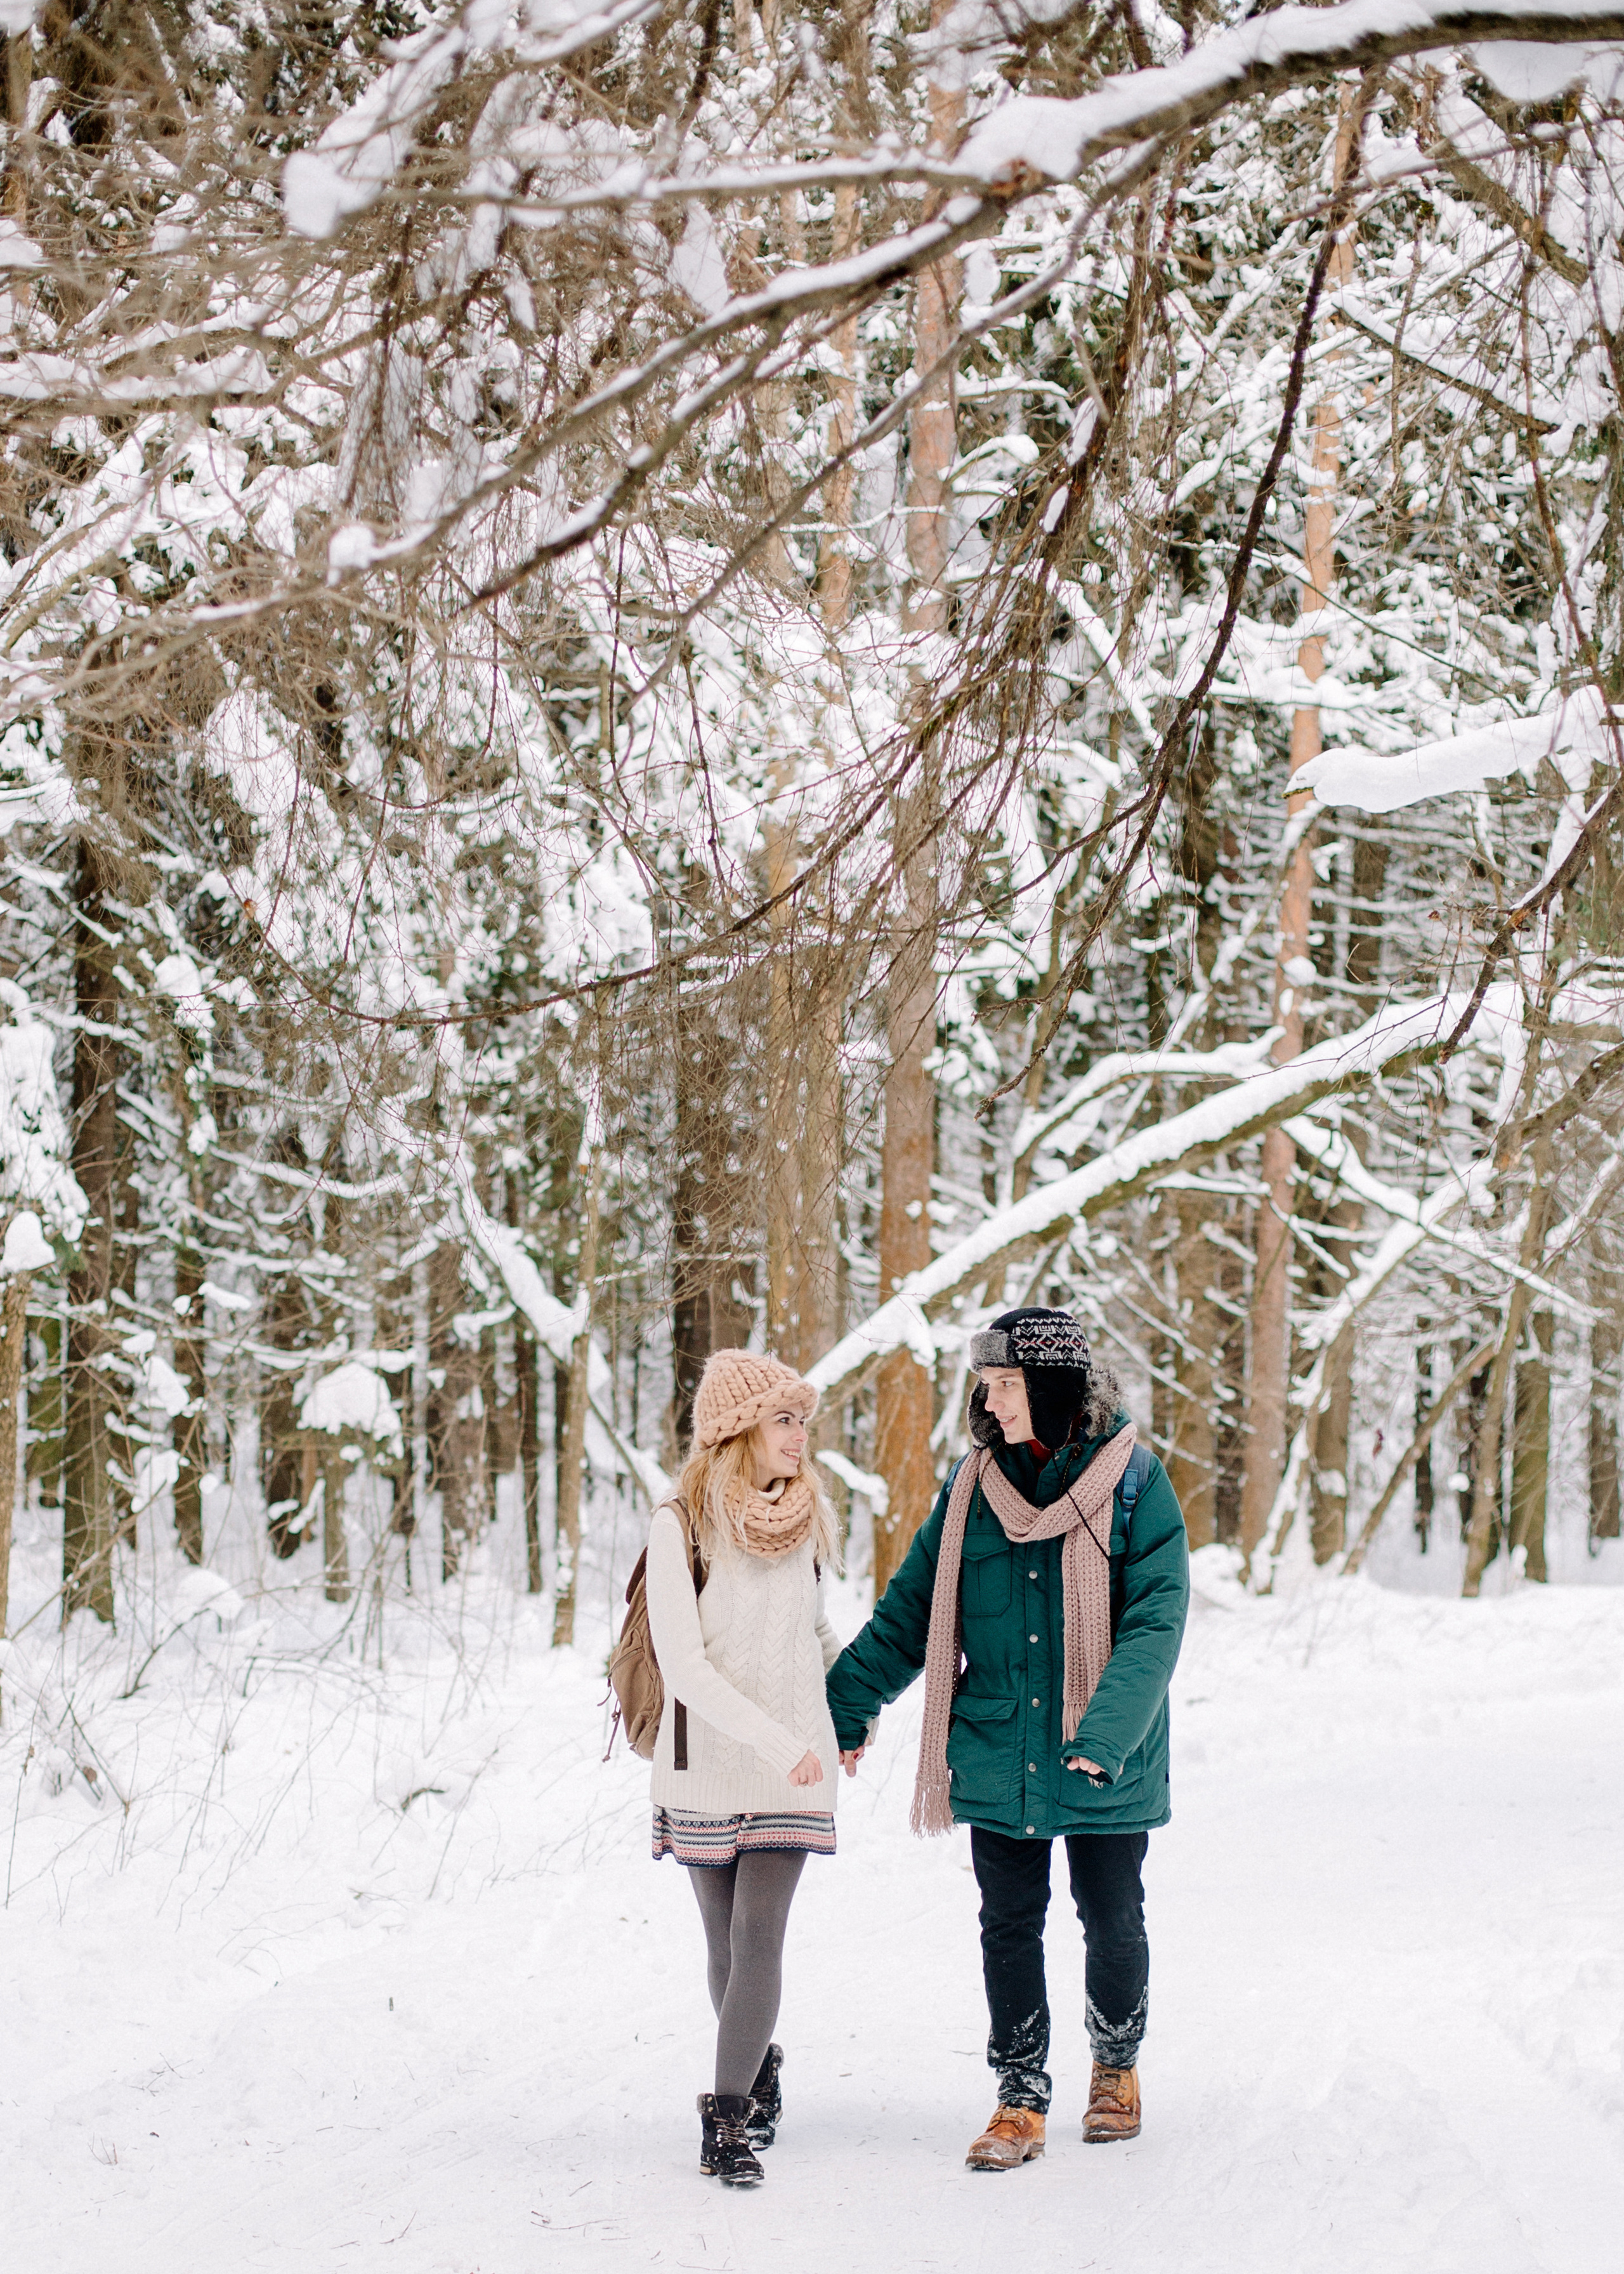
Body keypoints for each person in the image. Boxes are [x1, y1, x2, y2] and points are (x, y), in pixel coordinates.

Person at [826, 1306, 1189, 2170]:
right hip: (997, 1743)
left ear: (1053, 1386)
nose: (989, 1402)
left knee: (1111, 1916)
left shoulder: (1135, 1484)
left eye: (1005, 1385)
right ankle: (1020, 2094)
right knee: (1009, 1925)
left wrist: (1105, 1732)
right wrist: (844, 1701)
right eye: (986, 1385)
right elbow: (912, 1611)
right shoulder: (970, 1493)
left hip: (1103, 1752)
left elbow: (1156, 1620)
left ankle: (1116, 2065)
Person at [646, 1348, 844, 2188]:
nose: (801, 1436)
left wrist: (850, 1711)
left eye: (804, 1419)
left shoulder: (808, 1517)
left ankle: (725, 2123)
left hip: (796, 1770)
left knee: (759, 1936)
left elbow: (817, 1633)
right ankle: (758, 2064)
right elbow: (685, 1669)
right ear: (738, 1430)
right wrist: (777, 1743)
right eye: (784, 1419)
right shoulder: (679, 1525)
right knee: (725, 1948)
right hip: (708, 1766)